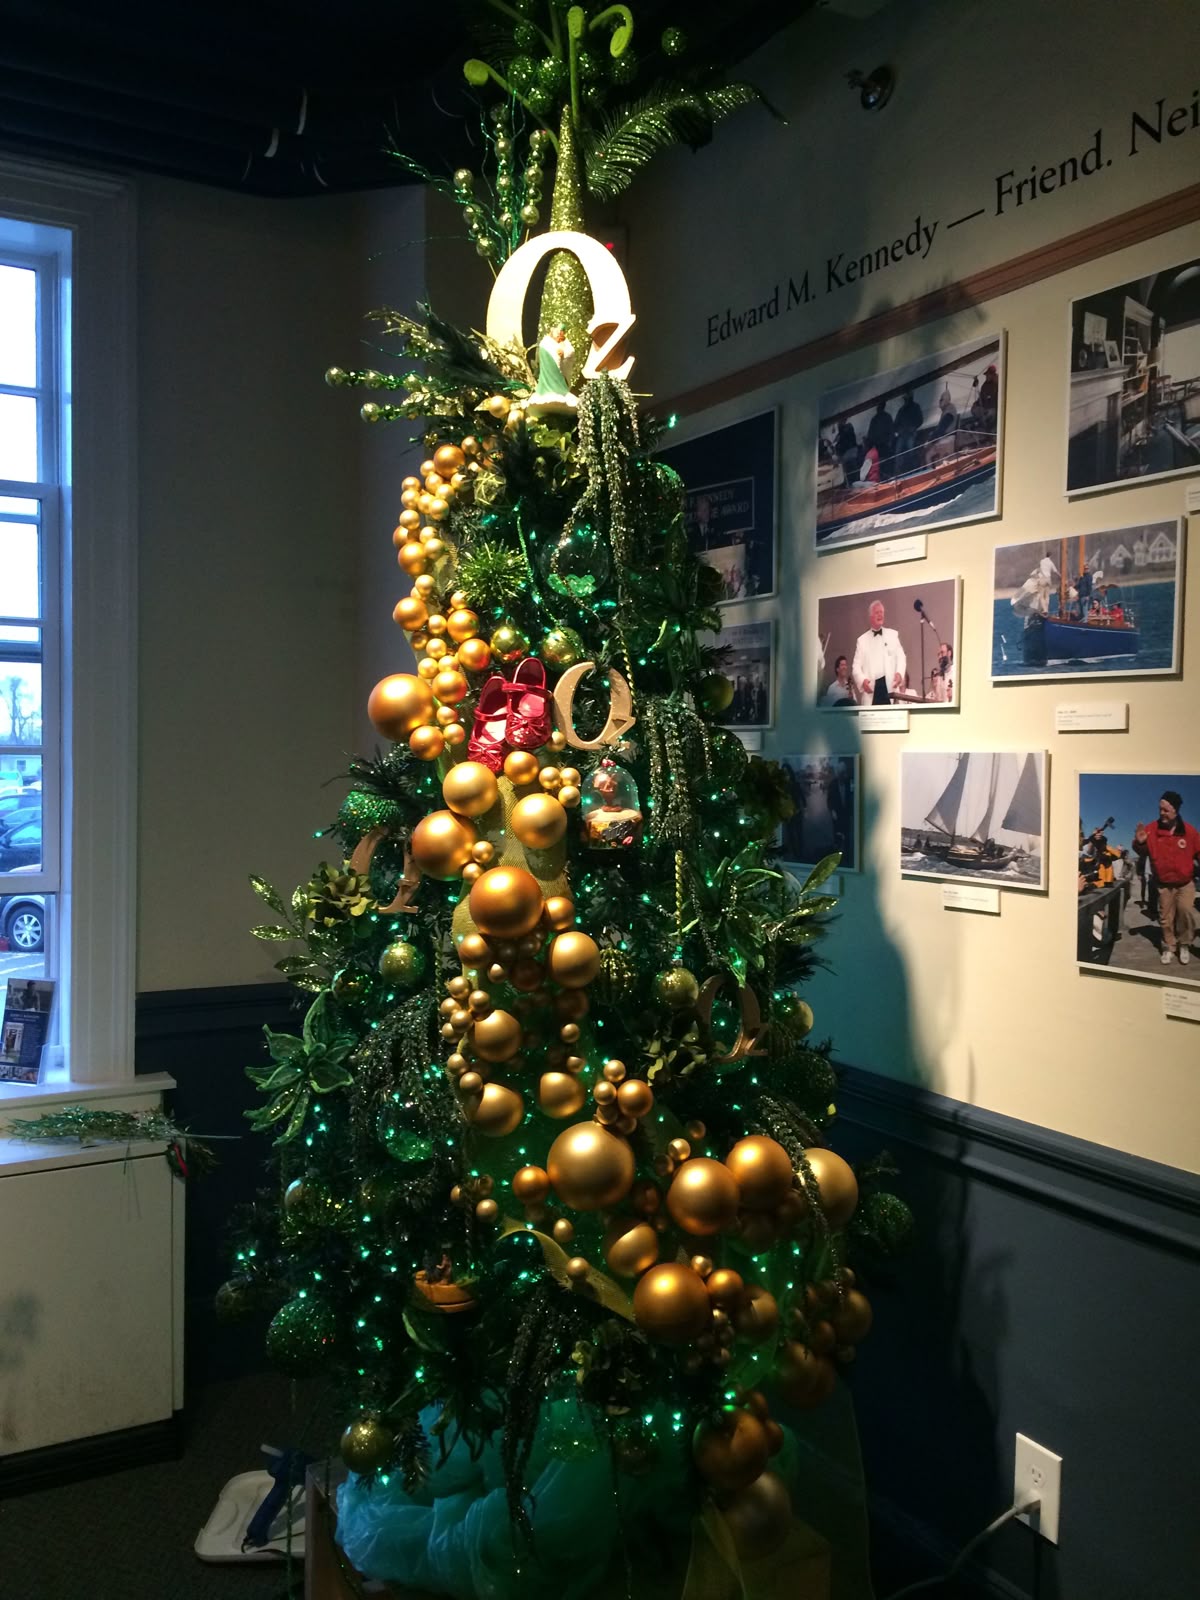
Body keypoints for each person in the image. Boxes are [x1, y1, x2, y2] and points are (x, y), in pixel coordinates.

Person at [1132, 789, 1200, 965]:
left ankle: (1184, 944)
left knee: (1186, 912)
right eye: (1160, 809)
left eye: (1166, 810)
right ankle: (1169, 946)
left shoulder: (1190, 832)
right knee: (1165, 917)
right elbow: (1141, 849)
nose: (1161, 813)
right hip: (1163, 883)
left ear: (1175, 811)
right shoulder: (1151, 829)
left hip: (1185, 883)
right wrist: (1139, 843)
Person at [851, 600, 906, 706]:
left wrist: (899, 673)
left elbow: (901, 657)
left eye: (882, 612)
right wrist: (862, 681)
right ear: (870, 616)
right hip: (872, 690)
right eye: (877, 612)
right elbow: (855, 667)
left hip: (890, 687)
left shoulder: (892, 635)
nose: (880, 615)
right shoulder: (861, 640)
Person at [893, 389, 923, 473]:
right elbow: (895, 424)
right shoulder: (901, 410)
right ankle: (897, 473)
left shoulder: (916, 407)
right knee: (897, 453)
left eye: (906, 398)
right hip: (902, 435)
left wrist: (913, 427)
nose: (905, 400)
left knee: (911, 451)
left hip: (911, 433)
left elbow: (920, 420)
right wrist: (898, 430)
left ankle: (914, 470)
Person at [865, 400, 895, 478]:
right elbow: (871, 434)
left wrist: (890, 441)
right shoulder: (877, 418)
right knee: (882, 463)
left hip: (883, 444)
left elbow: (891, 430)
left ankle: (886, 477)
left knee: (884, 463)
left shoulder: (877, 418)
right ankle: (885, 477)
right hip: (880, 445)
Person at [835, 419, 859, 486]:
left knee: (849, 473)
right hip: (852, 453)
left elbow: (842, 444)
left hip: (848, 455)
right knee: (852, 472)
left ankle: (851, 485)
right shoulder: (847, 430)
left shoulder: (845, 431)